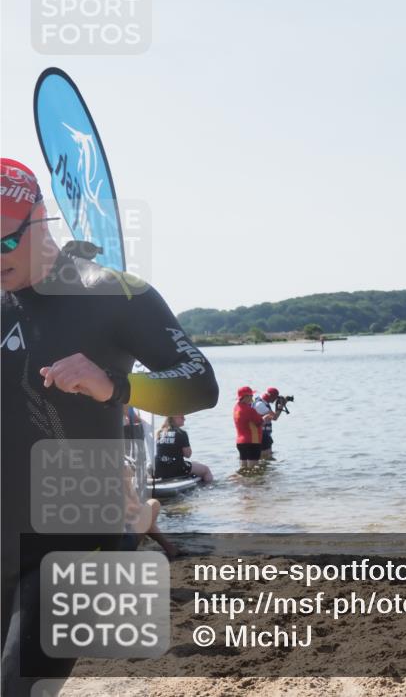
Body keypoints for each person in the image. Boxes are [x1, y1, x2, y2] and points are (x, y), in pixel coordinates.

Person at [0, 158, 219, 694]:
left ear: (39, 217)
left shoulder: (114, 292)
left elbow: (200, 383)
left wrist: (115, 386)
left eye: (5, 242)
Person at [155, 415, 213, 483]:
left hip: (159, 469)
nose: (184, 419)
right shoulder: (181, 433)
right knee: (206, 470)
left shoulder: (159, 432)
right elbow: (188, 455)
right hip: (177, 469)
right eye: (182, 417)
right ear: (174, 417)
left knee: (193, 463)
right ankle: (208, 488)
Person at [234, 385, 265, 469]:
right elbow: (260, 422)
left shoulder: (236, 408)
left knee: (243, 469)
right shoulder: (249, 410)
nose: (252, 398)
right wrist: (265, 417)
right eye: (251, 395)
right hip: (252, 442)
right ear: (245, 397)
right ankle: (253, 482)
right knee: (253, 470)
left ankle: (241, 482)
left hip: (240, 443)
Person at [253, 387, 283, 459]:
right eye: (275, 398)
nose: (276, 400)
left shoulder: (261, 400)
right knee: (266, 456)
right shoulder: (260, 405)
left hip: (263, 434)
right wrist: (280, 408)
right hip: (262, 435)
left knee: (266, 457)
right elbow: (275, 417)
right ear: (271, 397)